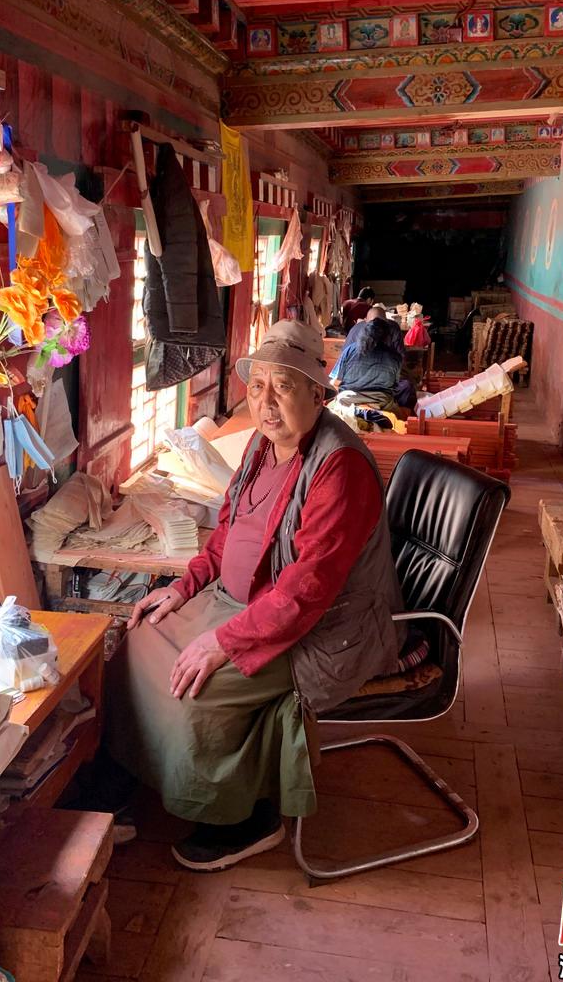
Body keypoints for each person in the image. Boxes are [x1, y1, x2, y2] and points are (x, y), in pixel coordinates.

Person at [106, 320, 402, 871]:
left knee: (196, 687)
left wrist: (223, 641)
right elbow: (228, 532)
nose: (266, 402)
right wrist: (184, 587)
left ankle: (245, 820)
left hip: (321, 630)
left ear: (318, 394)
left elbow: (307, 591)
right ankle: (128, 778)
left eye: (283, 387)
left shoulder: (338, 467)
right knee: (138, 639)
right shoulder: (262, 447)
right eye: (258, 385)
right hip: (241, 602)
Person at [331, 305, 415, 411]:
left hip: (348, 400)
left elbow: (336, 381)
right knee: (406, 389)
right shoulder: (394, 357)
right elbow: (393, 385)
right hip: (381, 402)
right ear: (386, 333)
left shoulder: (350, 350)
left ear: (365, 327)